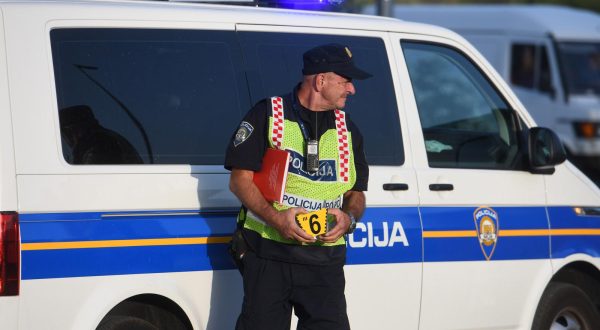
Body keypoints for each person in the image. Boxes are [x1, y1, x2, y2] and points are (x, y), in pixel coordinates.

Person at [224, 43, 371, 330]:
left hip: (324, 262)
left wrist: (349, 218)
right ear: (320, 80)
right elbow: (239, 181)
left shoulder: (348, 128)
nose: (351, 89)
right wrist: (278, 219)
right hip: (269, 255)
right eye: (345, 81)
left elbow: (356, 193)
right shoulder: (267, 115)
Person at [59, 105, 143, 164]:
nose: (67, 140)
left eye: (66, 133)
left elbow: (90, 180)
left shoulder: (98, 143)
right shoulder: (106, 137)